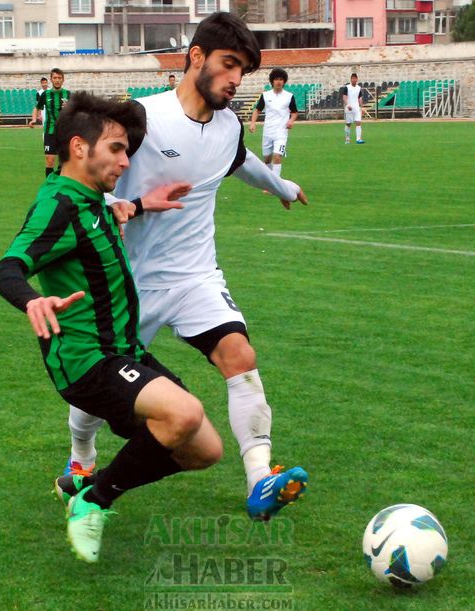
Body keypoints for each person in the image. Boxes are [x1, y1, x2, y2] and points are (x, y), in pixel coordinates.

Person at [64, 11, 309, 522]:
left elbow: (239, 160)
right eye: (228, 64)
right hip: (128, 283)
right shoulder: (141, 118)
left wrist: (282, 187)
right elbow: (82, 183)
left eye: (243, 70)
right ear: (195, 56)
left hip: (196, 276)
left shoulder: (228, 126)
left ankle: (259, 478)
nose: (236, 80)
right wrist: (127, 205)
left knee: (239, 355)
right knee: (99, 386)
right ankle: (81, 460)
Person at [0, 91, 222, 563]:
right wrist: (33, 299)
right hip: (85, 358)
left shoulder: (93, 199)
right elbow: (7, 268)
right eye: (117, 149)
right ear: (79, 147)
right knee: (182, 414)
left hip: (123, 351)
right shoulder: (59, 204)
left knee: (205, 452)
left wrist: (139, 204)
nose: (125, 160)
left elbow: (103, 218)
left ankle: (83, 483)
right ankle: (92, 502)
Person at [248, 68, 298, 179]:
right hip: (268, 131)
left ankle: (276, 184)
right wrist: (252, 123)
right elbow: (257, 110)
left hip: (281, 132)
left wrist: (291, 121)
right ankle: (269, 181)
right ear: (272, 81)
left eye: (281, 79)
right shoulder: (265, 95)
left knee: (277, 156)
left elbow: (294, 113)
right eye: (276, 79)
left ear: (284, 81)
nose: (279, 81)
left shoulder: (289, 96)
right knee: (267, 158)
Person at [30, 68, 71, 176]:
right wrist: (34, 119)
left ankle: (59, 184)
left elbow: (75, 111)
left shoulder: (68, 94)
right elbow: (36, 107)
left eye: (59, 78)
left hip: (64, 132)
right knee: (49, 160)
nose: (57, 80)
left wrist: (69, 108)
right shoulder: (45, 94)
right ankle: (49, 186)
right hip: (50, 131)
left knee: (63, 162)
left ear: (63, 80)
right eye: (55, 78)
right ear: (51, 79)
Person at [341, 73, 365, 144]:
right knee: (348, 124)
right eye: (353, 78)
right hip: (349, 108)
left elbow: (360, 98)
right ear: (351, 79)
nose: (354, 80)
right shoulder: (347, 87)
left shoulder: (358, 88)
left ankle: (358, 139)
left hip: (356, 108)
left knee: (358, 122)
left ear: (357, 79)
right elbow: (344, 97)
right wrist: (347, 104)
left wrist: (362, 107)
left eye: (355, 78)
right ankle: (347, 139)